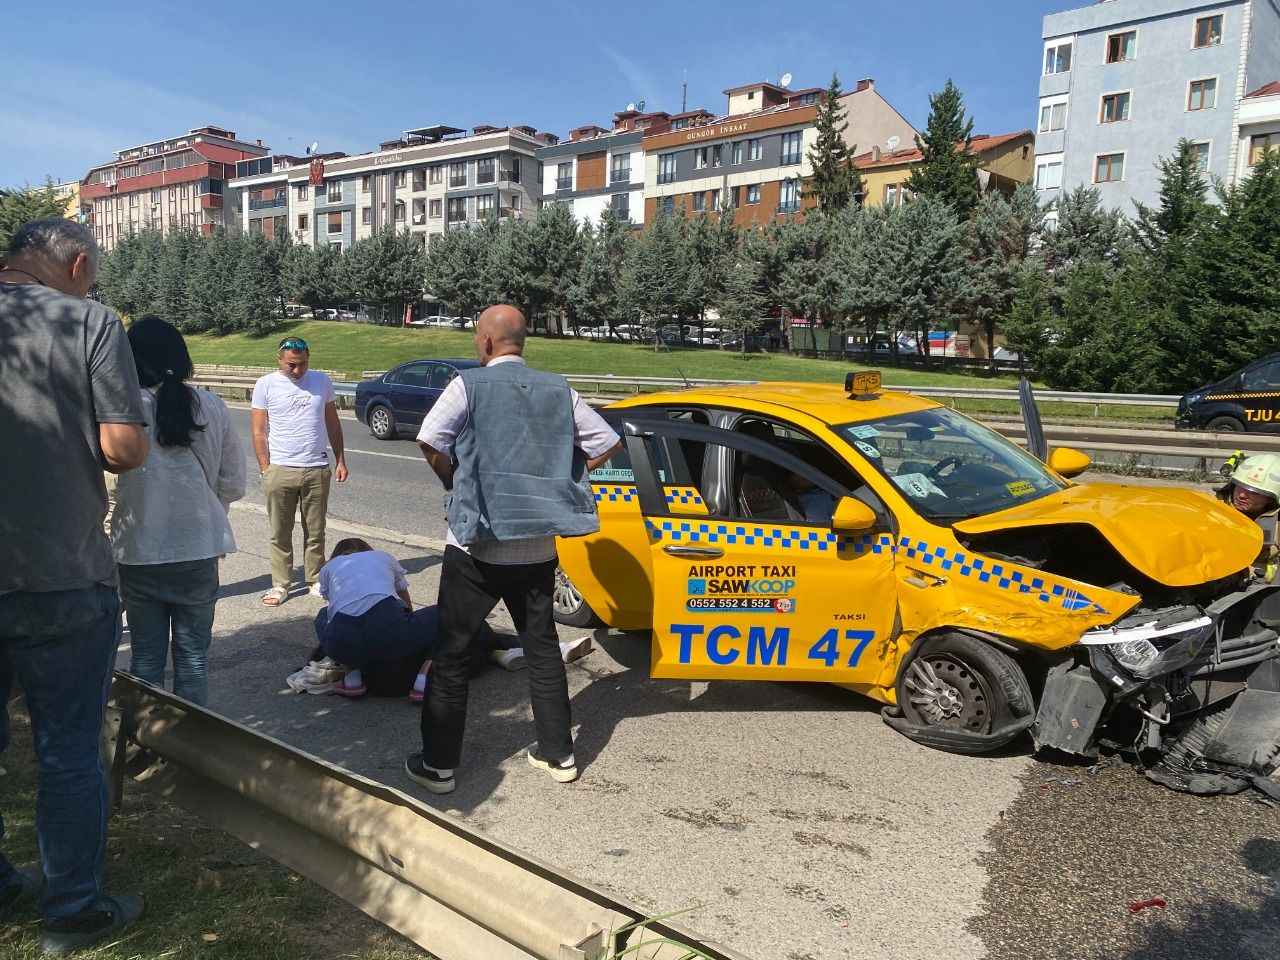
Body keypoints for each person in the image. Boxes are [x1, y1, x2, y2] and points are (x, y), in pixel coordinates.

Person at [0, 219, 148, 953]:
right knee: (65, 747)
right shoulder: (88, 321)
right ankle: (72, 909)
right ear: (78, 265)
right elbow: (124, 447)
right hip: (59, 571)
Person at [407, 304, 621, 794]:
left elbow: (430, 439)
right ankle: (559, 754)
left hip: (474, 546)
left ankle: (439, 766)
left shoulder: (468, 385)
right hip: (537, 549)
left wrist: (456, 483)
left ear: (485, 342)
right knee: (542, 648)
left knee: (453, 652)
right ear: (523, 342)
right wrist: (560, 481)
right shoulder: (557, 389)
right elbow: (606, 442)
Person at [110, 317, 246, 706]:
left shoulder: (121, 409)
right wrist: (210, 516)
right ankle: (187, 748)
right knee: (193, 661)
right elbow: (233, 483)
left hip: (138, 552)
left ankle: (141, 743)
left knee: (146, 661)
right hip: (198, 551)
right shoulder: (212, 406)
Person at [313, 538, 527, 699]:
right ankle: (424, 678)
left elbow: (333, 607)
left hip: (342, 643)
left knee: (324, 617)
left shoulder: (328, 568)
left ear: (337, 556)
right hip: (389, 633)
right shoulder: (383, 557)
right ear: (368, 550)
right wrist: (410, 622)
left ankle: (353, 676)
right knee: (446, 614)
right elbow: (404, 597)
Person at [250, 336, 349, 606]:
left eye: (302, 364)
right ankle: (281, 584)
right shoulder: (265, 384)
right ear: (279, 360)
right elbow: (259, 431)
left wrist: (340, 459)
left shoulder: (321, 381)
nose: (297, 371)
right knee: (279, 532)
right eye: (291, 365)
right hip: (280, 468)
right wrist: (265, 468)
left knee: (315, 531)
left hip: (316, 468)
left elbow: (333, 424)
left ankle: (315, 579)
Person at [1217, 453, 1280, 581]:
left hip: (1263, 590)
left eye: (1254, 492)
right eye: (1240, 486)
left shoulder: (1276, 525)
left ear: (1270, 499)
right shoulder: (1214, 511)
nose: (1242, 495)